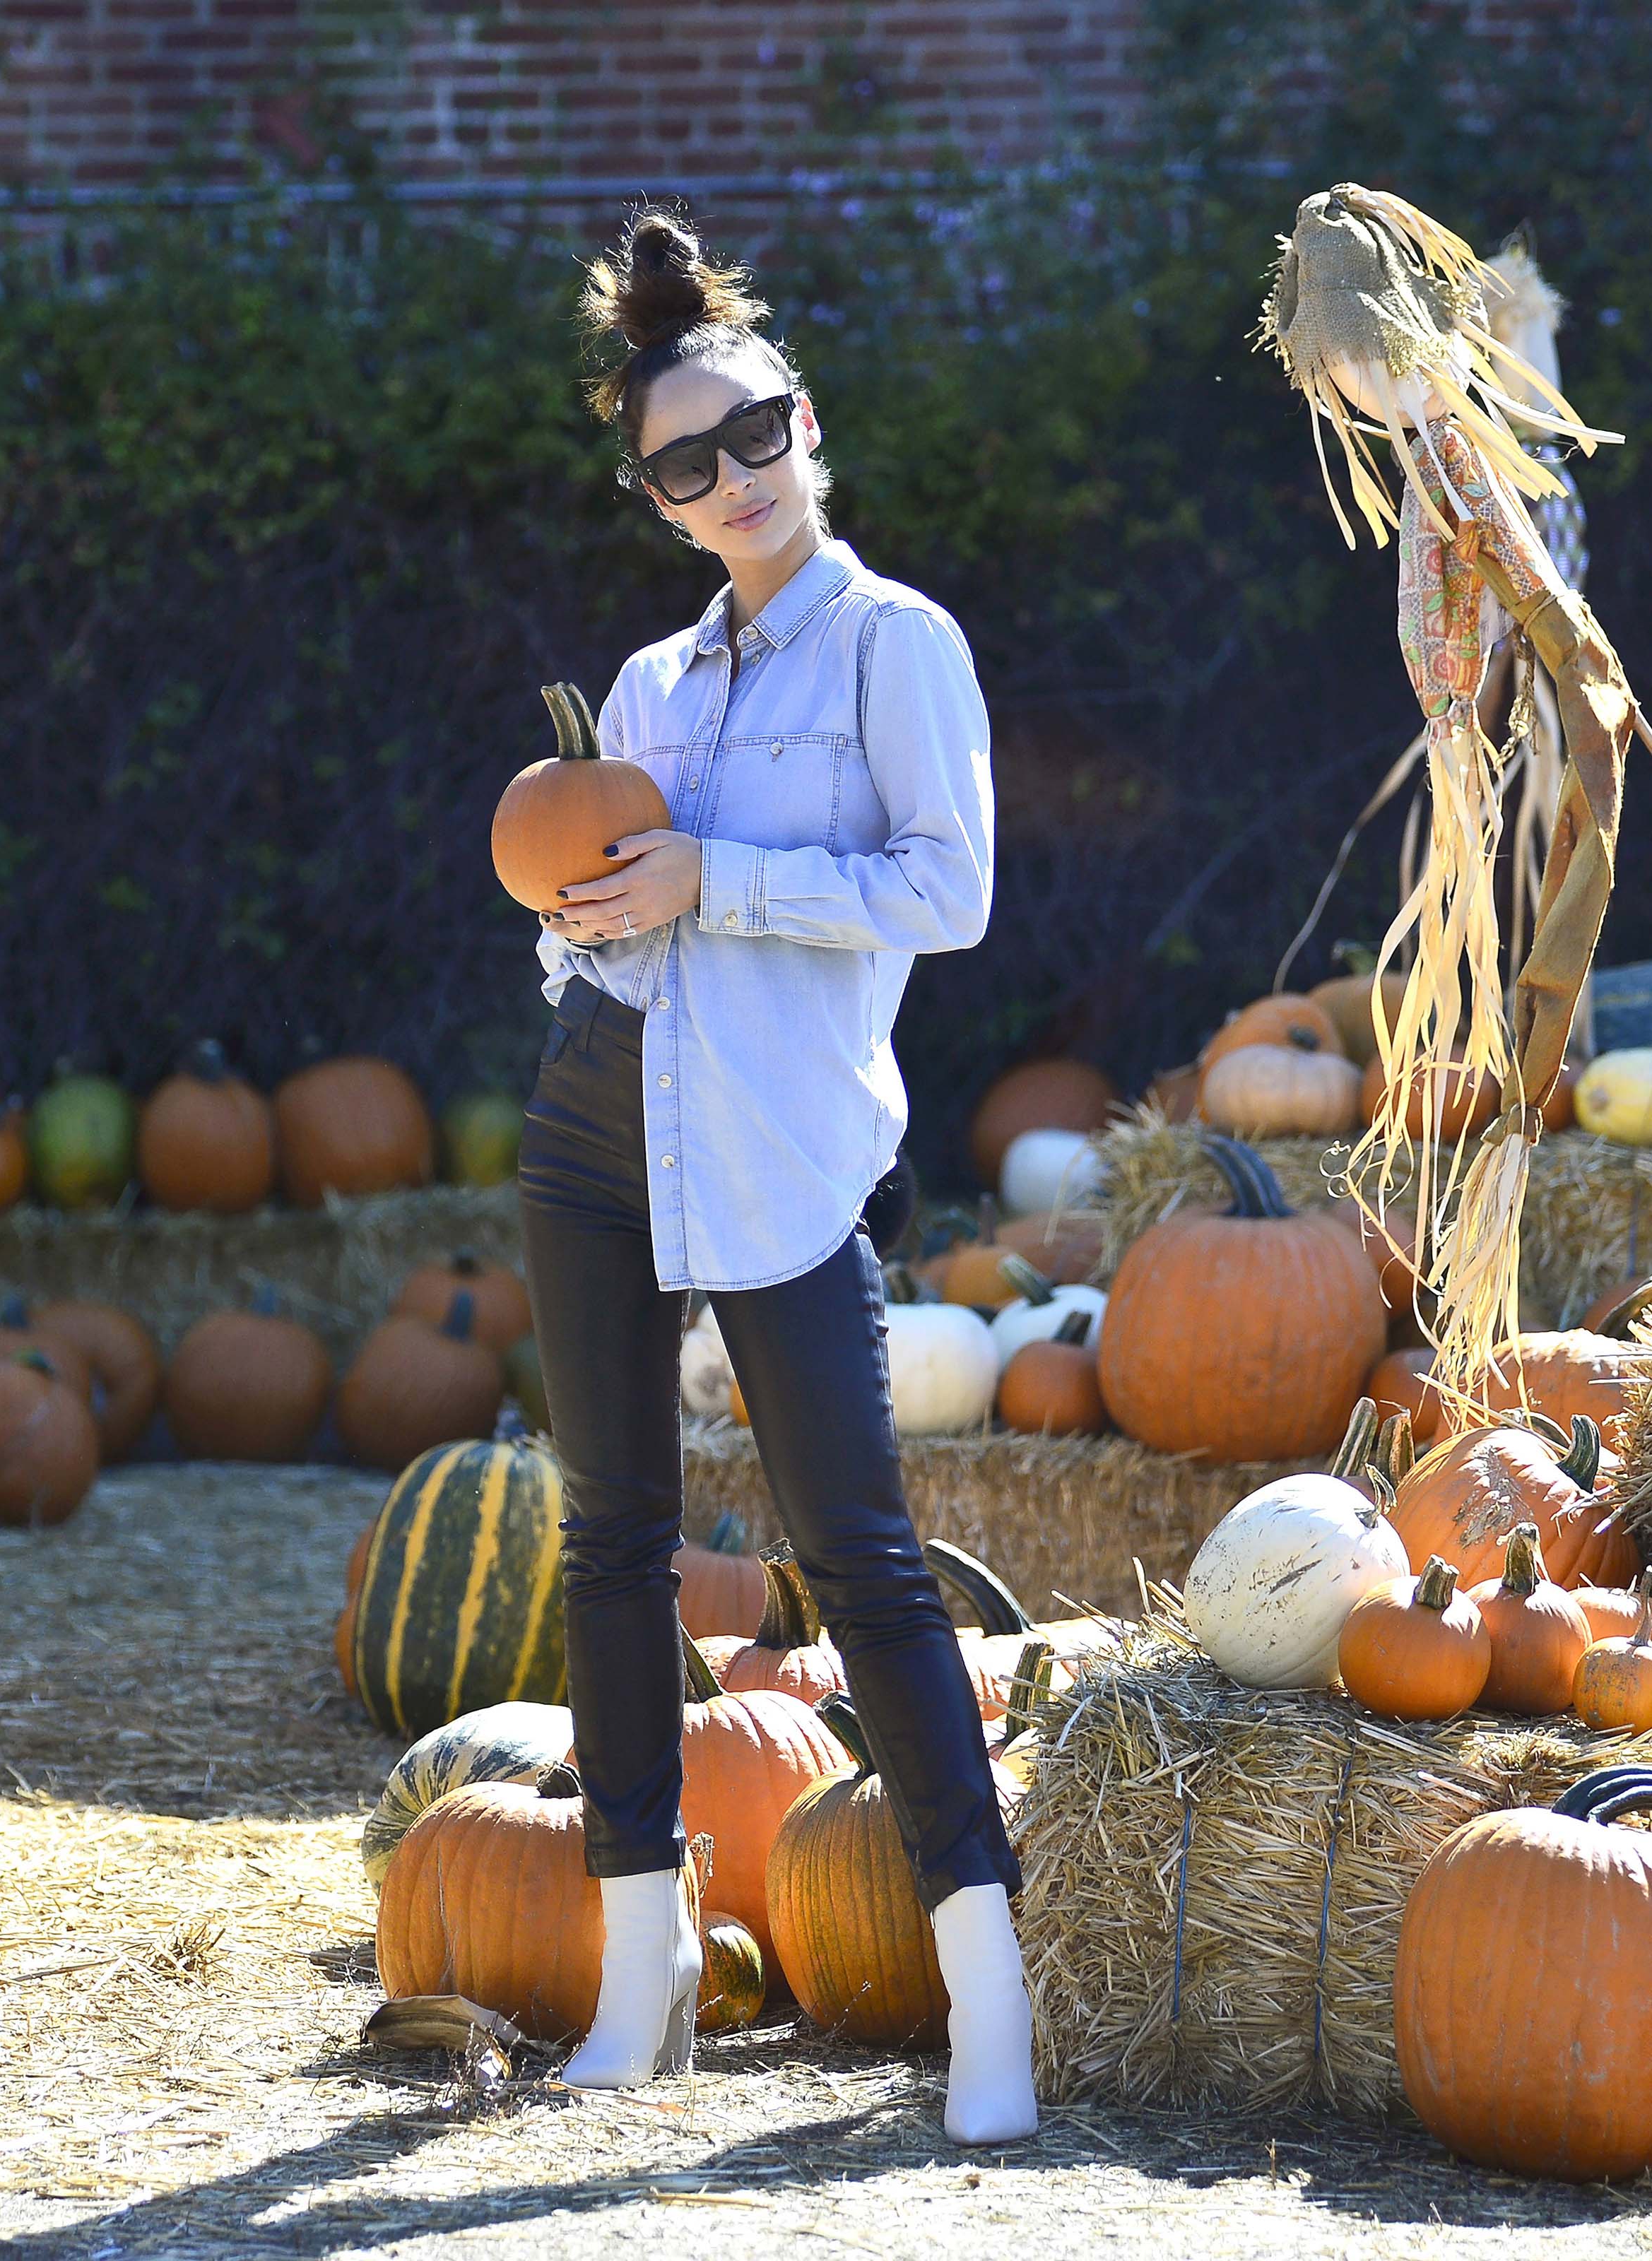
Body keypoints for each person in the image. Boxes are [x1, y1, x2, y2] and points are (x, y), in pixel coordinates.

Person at [515, 206, 1036, 2147]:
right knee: (609, 1544)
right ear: (652, 495)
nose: (729, 477)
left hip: (787, 1154)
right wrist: (583, 920)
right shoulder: (649, 687)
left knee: (866, 1566)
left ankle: (988, 1990)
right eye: (684, 462)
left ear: (808, 432)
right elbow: (602, 923)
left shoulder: (897, 645)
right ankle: (640, 1963)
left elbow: (947, 893)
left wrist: (715, 881)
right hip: (594, 1127)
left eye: (755, 436)